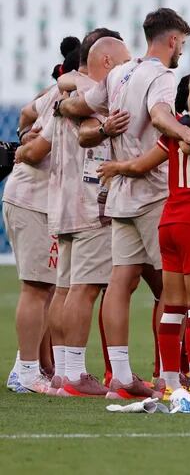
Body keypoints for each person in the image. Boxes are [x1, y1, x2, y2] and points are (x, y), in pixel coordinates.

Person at [59, 8, 190, 400]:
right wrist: (184, 133)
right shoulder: (160, 76)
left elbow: (80, 107)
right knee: (171, 289)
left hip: (119, 193)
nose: (181, 53)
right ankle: (170, 377)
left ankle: (121, 379)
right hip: (153, 192)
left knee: (119, 285)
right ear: (173, 39)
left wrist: (65, 99)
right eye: (182, 44)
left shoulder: (119, 73)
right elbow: (160, 117)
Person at [99, 71, 190, 402]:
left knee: (173, 307)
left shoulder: (177, 132)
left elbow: (139, 166)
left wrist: (116, 168)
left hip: (170, 221)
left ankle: (170, 383)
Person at [27, 31, 129, 396]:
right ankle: (73, 374)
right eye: (122, 62)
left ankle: (60, 373)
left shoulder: (62, 90)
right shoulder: (92, 91)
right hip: (89, 200)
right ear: (105, 61)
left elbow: (32, 119)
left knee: (65, 289)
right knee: (83, 290)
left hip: (61, 199)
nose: (125, 71)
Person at [6, 44, 77, 393]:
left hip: (39, 200)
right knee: (36, 288)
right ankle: (26, 371)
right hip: (33, 200)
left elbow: (24, 111)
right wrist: (24, 145)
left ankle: (32, 367)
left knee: (45, 288)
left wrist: (23, 133)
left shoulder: (57, 92)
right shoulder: (70, 97)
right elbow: (34, 152)